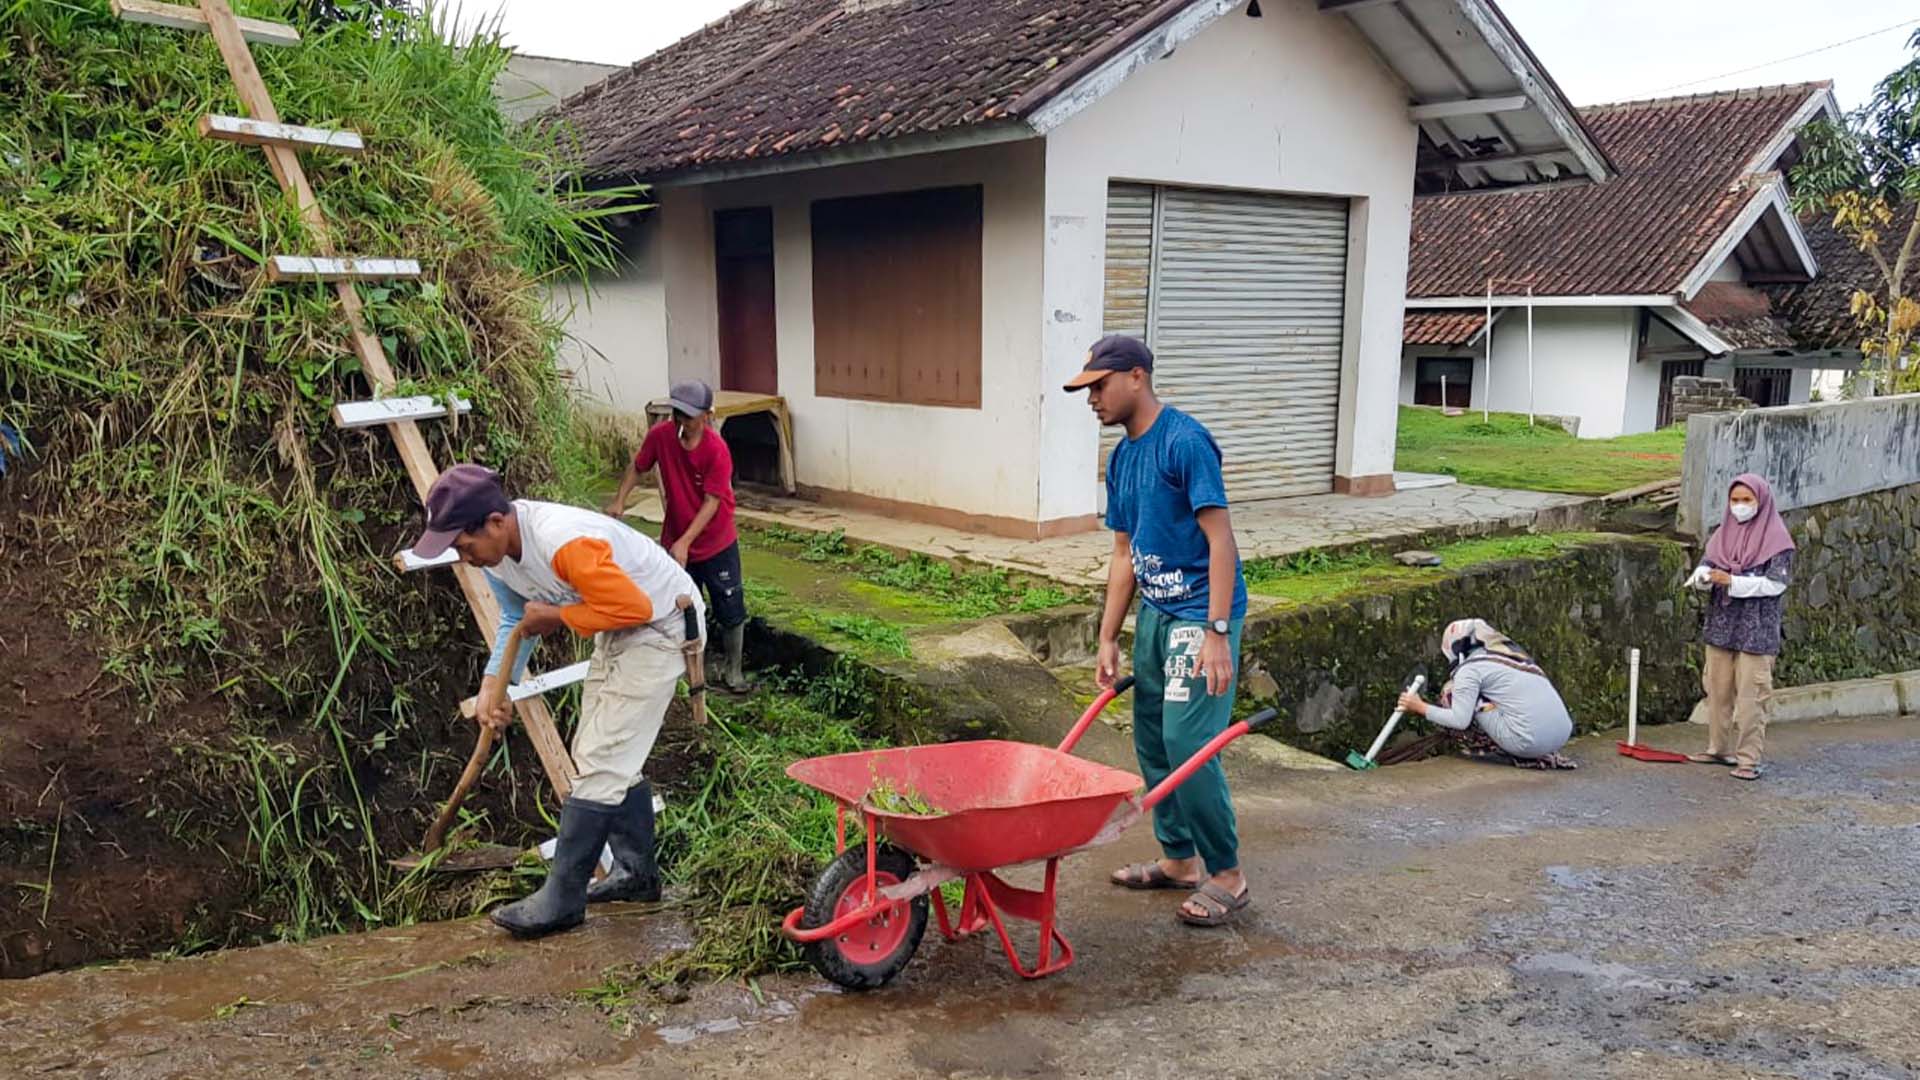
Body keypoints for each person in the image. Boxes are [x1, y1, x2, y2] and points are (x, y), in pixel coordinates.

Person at [414, 463, 704, 938]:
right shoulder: (497, 557)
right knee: (599, 750)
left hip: (661, 627)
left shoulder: (564, 542)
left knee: (602, 759)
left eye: (464, 546)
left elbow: (634, 606)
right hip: (619, 630)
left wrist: (557, 614)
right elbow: (516, 618)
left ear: (495, 522)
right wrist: (494, 683)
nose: (464, 557)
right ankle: (636, 875)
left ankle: (562, 899)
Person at [1068, 334, 1252, 928]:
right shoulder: (1122, 458)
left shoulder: (1185, 442)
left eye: (1098, 385)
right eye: (1088, 388)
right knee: (1150, 739)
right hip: (1156, 611)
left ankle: (1227, 873)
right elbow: (1124, 553)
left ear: (1136, 377)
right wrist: (1107, 636)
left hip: (1200, 613)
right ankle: (1179, 861)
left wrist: (1218, 632)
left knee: (1187, 744)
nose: (1091, 399)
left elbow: (1220, 539)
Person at [608, 379, 750, 693]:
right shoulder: (661, 436)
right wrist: (620, 500)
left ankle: (733, 672)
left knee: (730, 607)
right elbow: (638, 465)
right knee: (677, 607)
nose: (681, 421)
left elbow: (712, 502)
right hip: (675, 539)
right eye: (677, 414)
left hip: (716, 541)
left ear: (707, 416)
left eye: (688, 415)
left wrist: (686, 541)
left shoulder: (717, 451)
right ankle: (686, 672)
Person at [1683, 473, 1794, 781]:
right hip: (1722, 625)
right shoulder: (1722, 535)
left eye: (1747, 500)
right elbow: (1708, 564)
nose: (1740, 506)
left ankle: (1748, 759)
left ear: (1762, 502)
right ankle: (1717, 748)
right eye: (1735, 500)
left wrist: (1732, 580)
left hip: (1756, 631)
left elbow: (1775, 584)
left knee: (1751, 698)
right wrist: (1704, 577)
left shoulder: (1777, 541)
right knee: (1717, 691)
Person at [1398, 619, 1577, 770]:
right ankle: (1535, 749)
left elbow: (1460, 721)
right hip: (1562, 735)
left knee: (1451, 692)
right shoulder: (1512, 655)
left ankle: (1511, 751)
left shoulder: (1469, 670)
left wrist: (1420, 707)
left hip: (1526, 742)